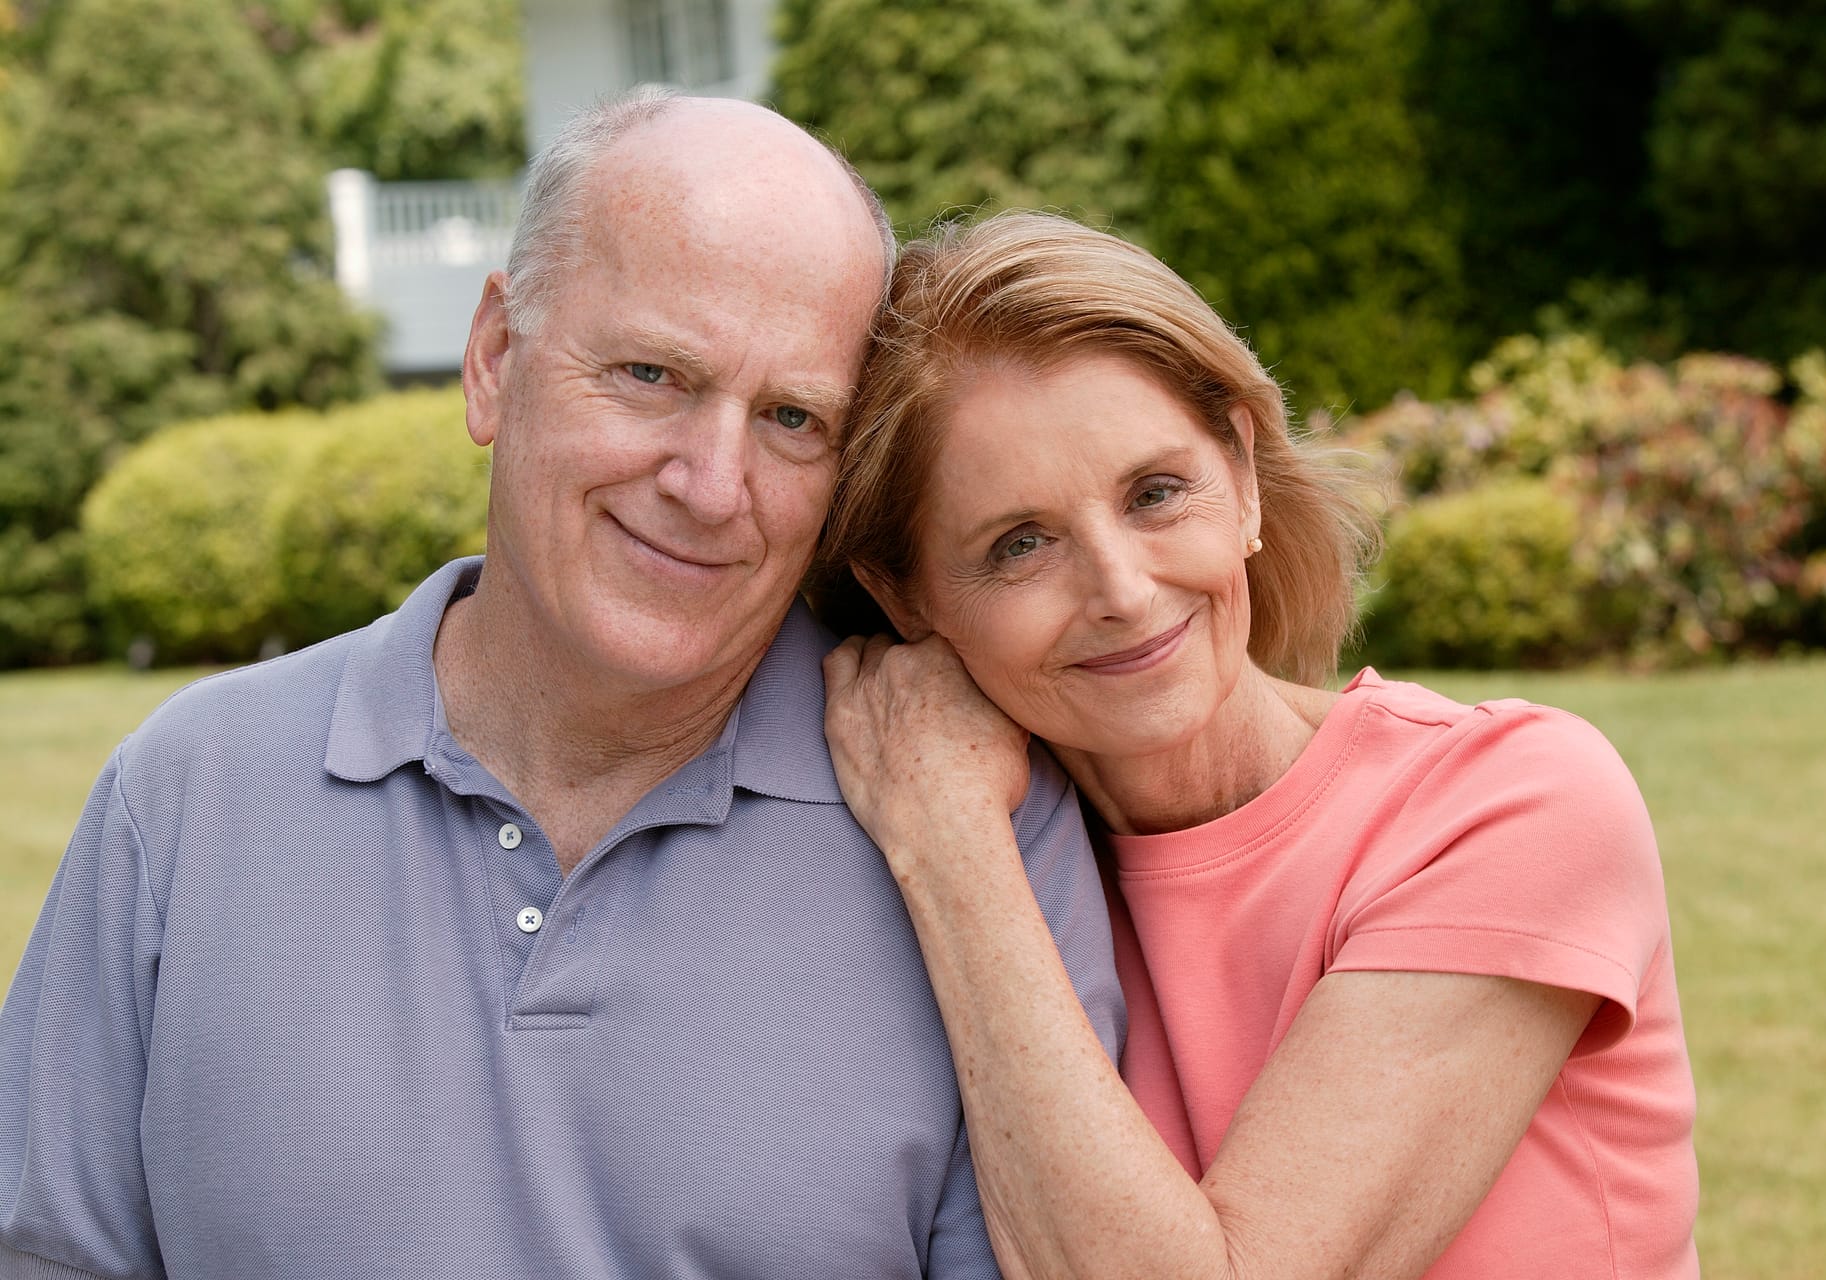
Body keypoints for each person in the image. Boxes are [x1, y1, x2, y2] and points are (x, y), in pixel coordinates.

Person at [0, 99, 1123, 1279]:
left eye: (792, 418)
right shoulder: (186, 793)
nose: (709, 482)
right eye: (650, 374)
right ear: (495, 358)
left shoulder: (971, 819)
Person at [815, 211, 1699, 1279]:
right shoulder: (1031, 863)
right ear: (904, 593)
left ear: (1240, 472)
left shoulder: (1513, 804)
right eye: (1020, 544)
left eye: (1155, 492)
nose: (1125, 591)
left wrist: (947, 834)